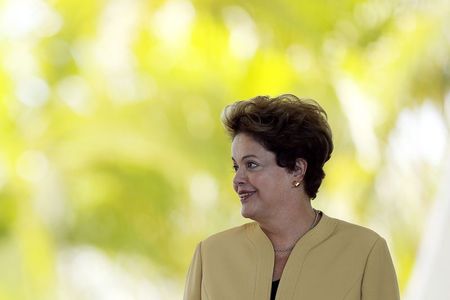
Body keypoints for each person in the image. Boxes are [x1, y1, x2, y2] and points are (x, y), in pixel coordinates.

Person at [183, 94, 400, 300]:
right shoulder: (211, 256)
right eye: (235, 166)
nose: (237, 179)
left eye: (251, 165)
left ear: (297, 169)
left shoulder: (365, 252)